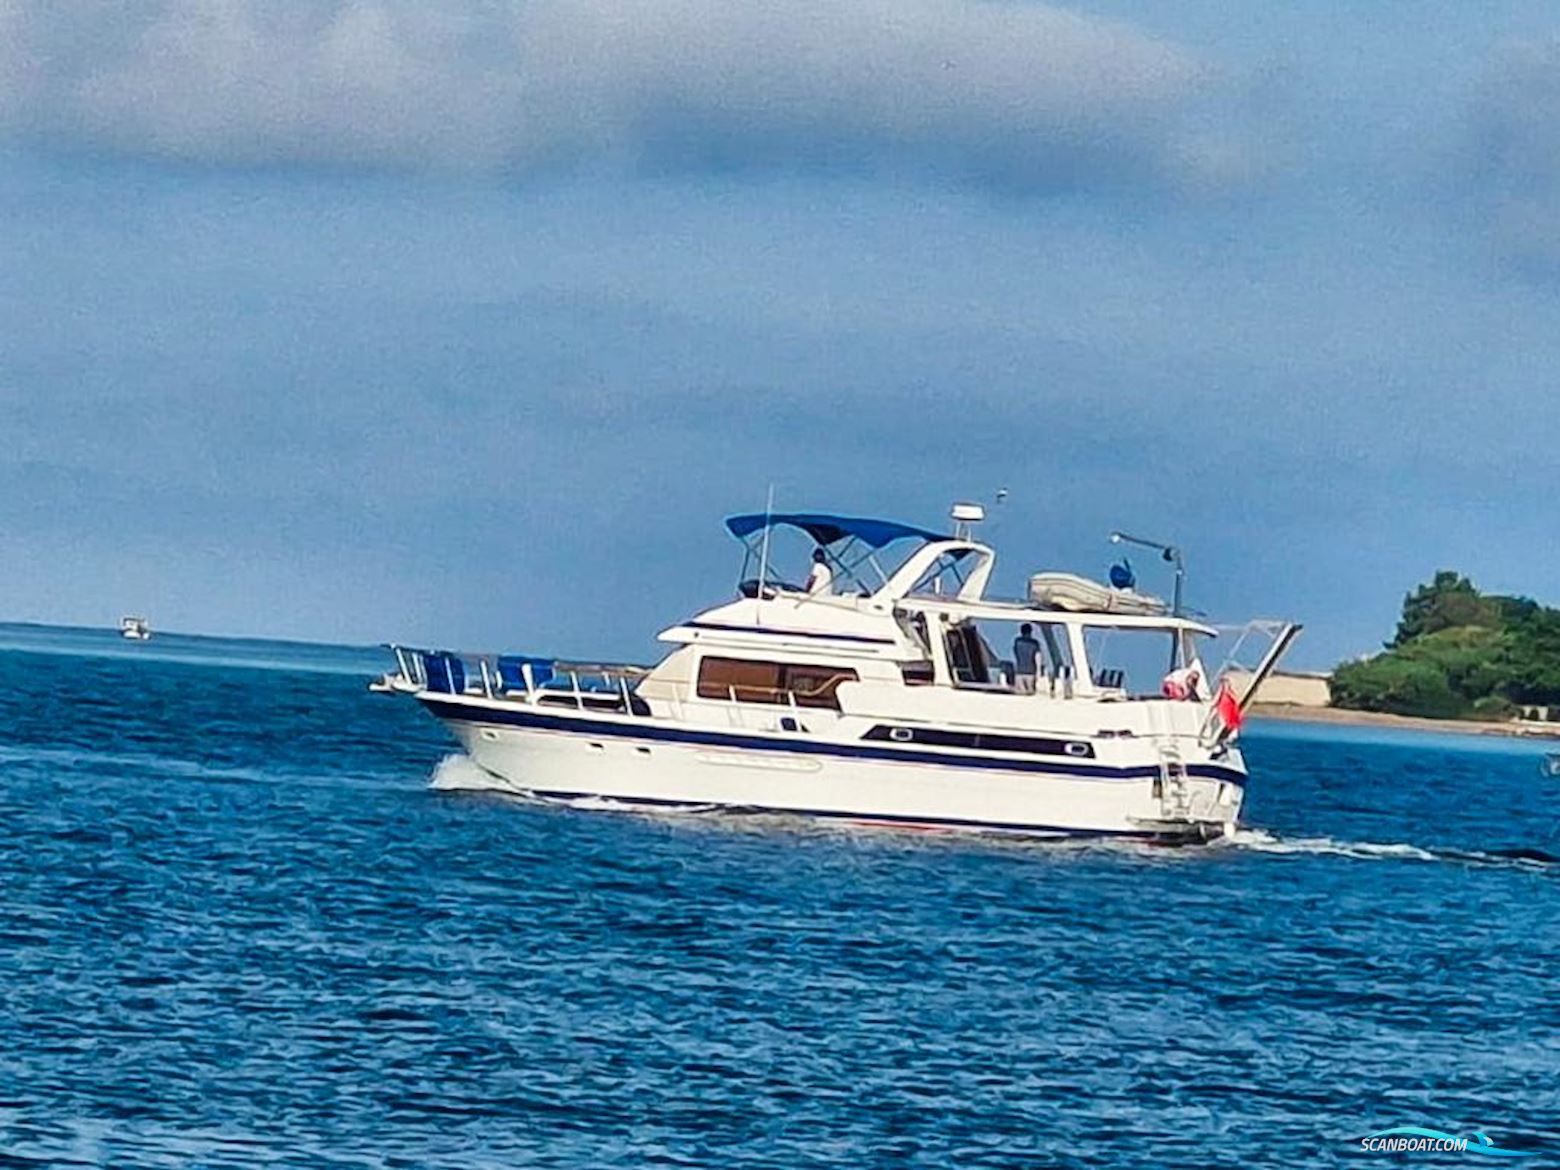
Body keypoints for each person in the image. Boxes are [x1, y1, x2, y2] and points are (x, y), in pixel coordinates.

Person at [1012, 623, 1042, 694]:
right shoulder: (1034, 643)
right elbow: (1037, 657)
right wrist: (1038, 672)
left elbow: (1015, 653)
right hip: (1031, 672)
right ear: (1031, 631)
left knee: (1020, 695)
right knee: (1030, 693)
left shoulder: (1017, 642)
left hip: (1019, 672)